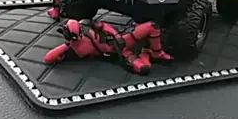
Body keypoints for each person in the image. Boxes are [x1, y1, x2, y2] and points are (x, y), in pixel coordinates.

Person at [44, 19, 172, 75]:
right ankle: (145, 53)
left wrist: (116, 35)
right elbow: (48, 58)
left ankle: (157, 52)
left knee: (152, 26)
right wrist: (64, 47)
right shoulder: (75, 49)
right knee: (144, 69)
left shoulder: (86, 25)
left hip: (121, 40)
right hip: (119, 53)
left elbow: (104, 26)